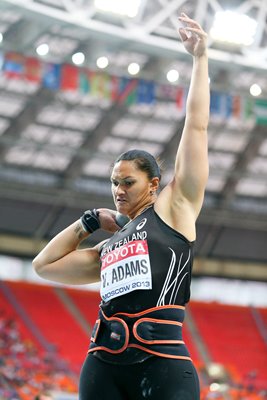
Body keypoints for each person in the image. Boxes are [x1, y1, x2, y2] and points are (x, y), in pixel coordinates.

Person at [32, 12, 209, 400]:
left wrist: (200, 59)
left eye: (128, 182)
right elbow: (43, 266)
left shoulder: (174, 209)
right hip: (103, 367)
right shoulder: (109, 247)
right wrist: (89, 221)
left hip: (162, 364)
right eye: (114, 183)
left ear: (155, 184)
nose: (119, 191)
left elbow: (196, 127)